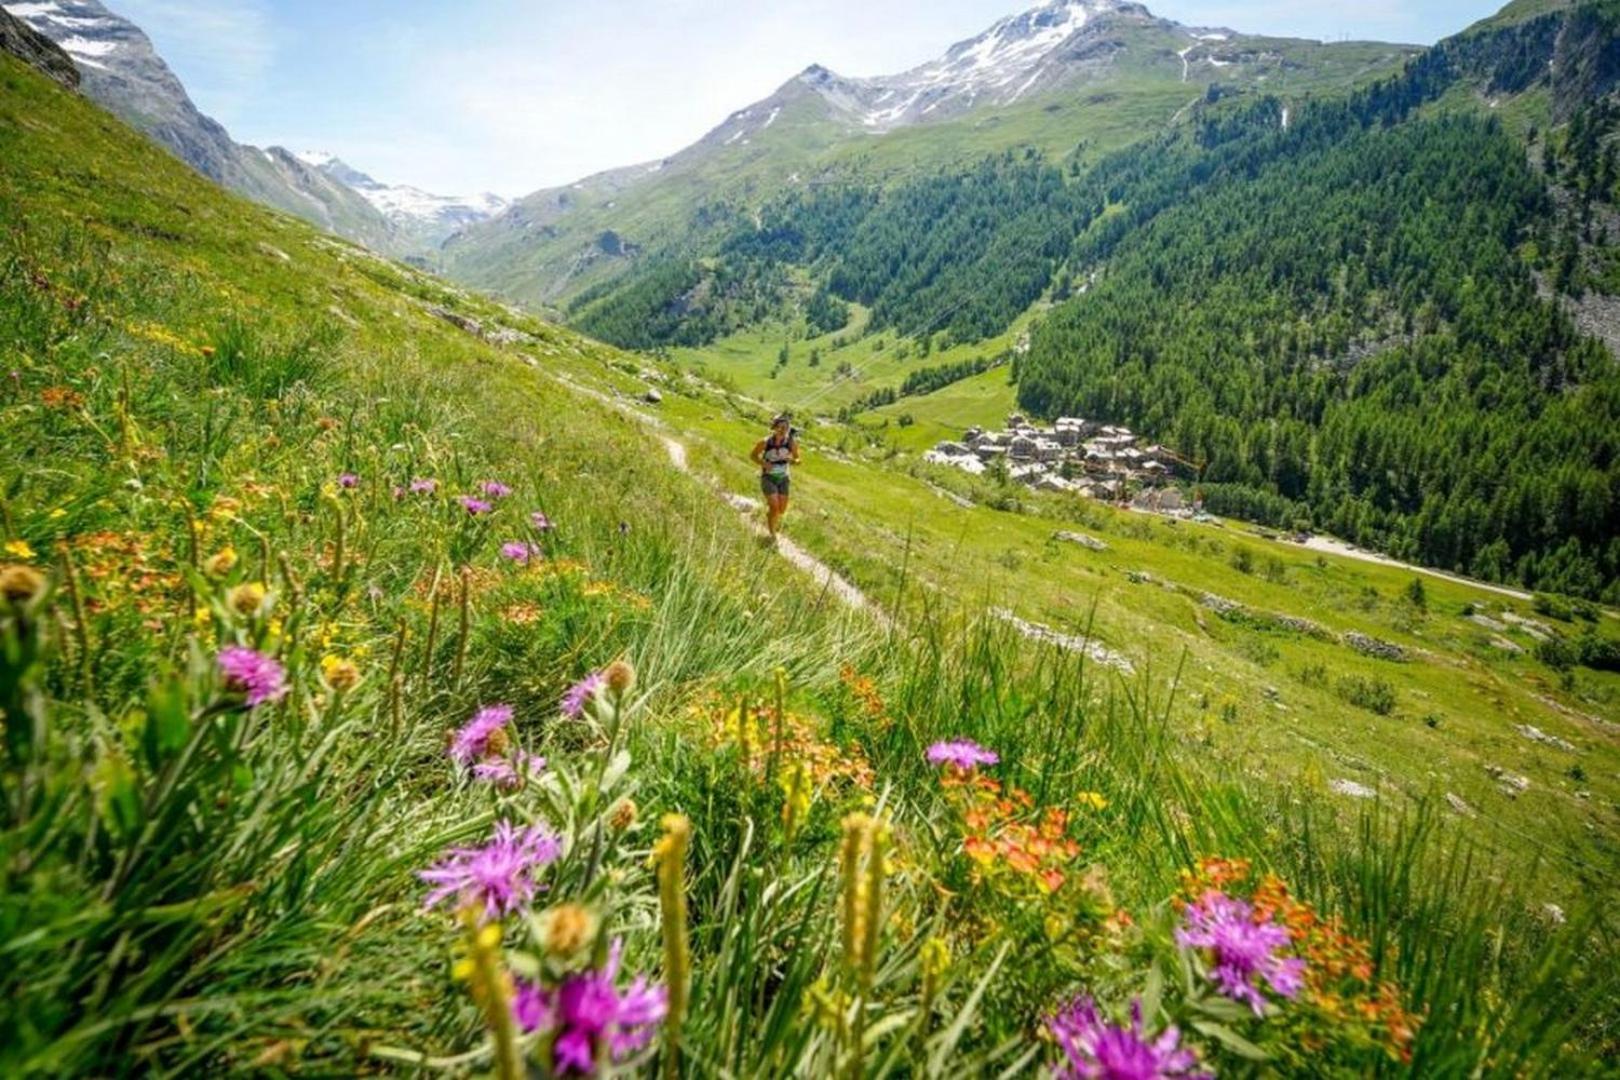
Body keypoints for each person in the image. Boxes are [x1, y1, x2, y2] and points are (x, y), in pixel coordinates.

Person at [750, 414, 801, 539]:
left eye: (786, 428)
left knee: (781, 510)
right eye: (780, 427)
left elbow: (798, 458)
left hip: (784, 479)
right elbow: (753, 456)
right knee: (775, 507)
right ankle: (772, 533)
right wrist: (764, 463)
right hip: (768, 478)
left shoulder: (790, 443)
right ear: (775, 428)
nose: (783, 430)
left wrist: (794, 461)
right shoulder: (765, 442)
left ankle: (770, 516)